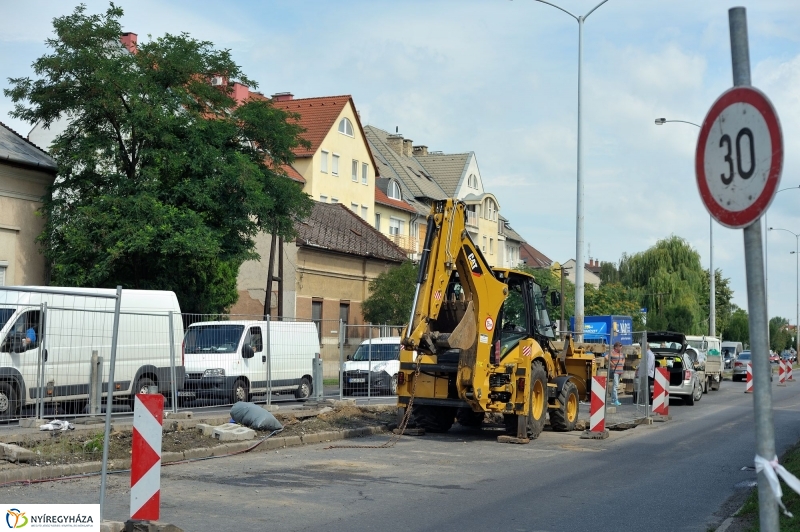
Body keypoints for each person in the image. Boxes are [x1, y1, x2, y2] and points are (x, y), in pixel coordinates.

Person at [609, 341, 625, 406]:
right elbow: (606, 357)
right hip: (615, 371)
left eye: (621, 346)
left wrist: (623, 363)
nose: (621, 347)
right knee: (615, 386)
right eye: (620, 346)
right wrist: (612, 364)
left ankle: (613, 400)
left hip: (620, 371)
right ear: (616, 347)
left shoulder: (621, 353)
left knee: (615, 385)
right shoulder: (612, 353)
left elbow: (623, 358)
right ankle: (615, 400)